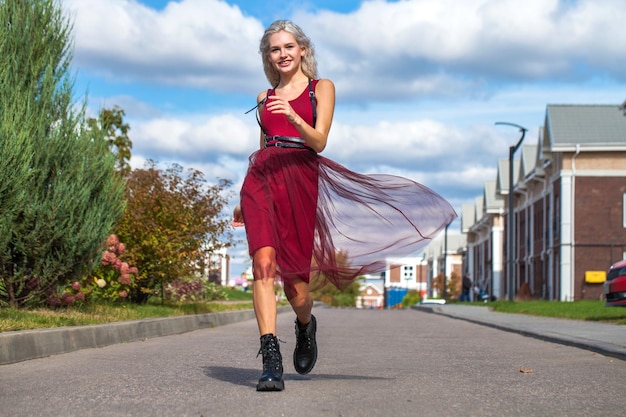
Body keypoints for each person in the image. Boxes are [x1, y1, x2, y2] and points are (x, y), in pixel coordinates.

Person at [232, 20, 457, 392]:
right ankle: (270, 359)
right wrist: (243, 198)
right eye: (274, 49)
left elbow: (319, 142)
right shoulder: (263, 97)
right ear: (267, 56)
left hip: (300, 180)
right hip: (261, 182)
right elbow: (262, 148)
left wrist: (294, 118)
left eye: (288, 47)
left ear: (302, 49)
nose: (282, 54)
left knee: (295, 288)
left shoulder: (322, 88)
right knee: (263, 263)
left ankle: (306, 325)